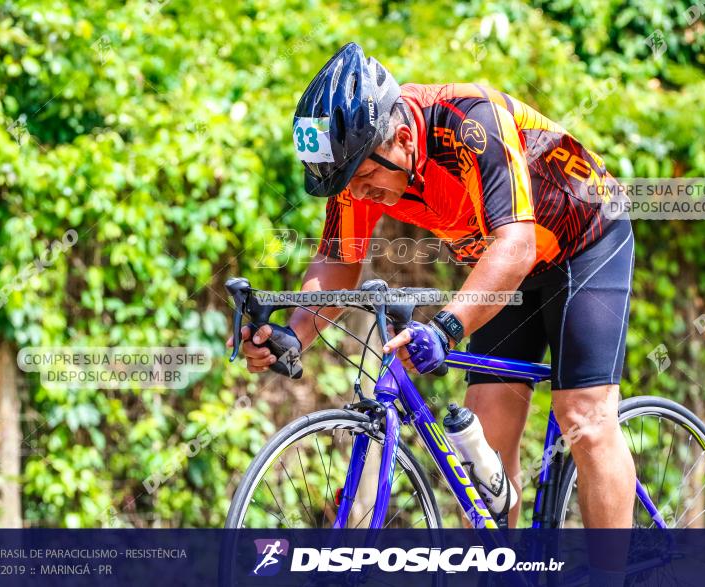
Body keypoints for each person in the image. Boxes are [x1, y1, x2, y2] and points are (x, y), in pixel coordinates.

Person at [232, 42, 636, 532]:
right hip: (507, 265)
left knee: (584, 417)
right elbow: (340, 260)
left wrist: (445, 329)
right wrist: (295, 335)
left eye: (364, 178)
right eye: (346, 185)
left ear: (403, 137)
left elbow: (516, 245)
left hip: (585, 235)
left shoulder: (469, 121)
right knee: (481, 453)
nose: (359, 195)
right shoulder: (365, 168)